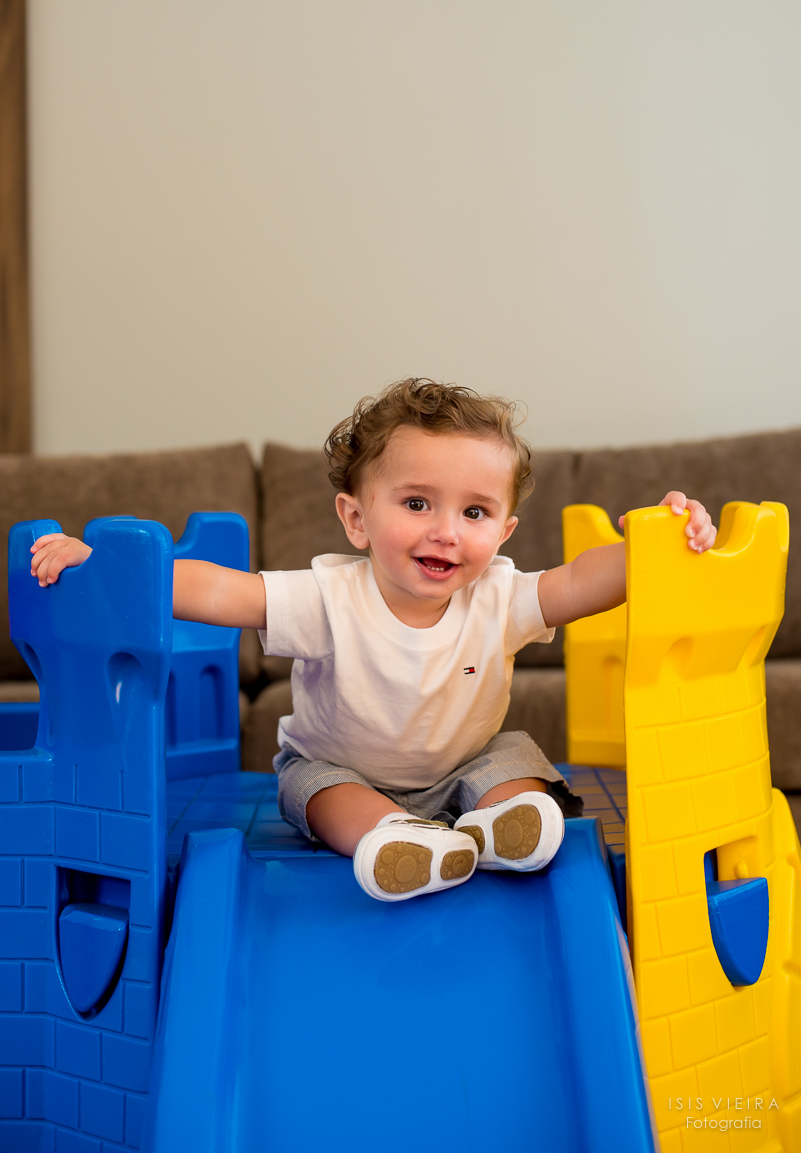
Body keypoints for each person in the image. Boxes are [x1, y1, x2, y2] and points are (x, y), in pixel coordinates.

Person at [29, 379, 716, 903]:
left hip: (462, 768)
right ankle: (398, 843)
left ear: (502, 531)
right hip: (340, 769)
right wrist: (114, 564)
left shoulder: (500, 594)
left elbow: (577, 583)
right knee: (322, 795)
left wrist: (648, 546)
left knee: (512, 758)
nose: (446, 530)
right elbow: (224, 592)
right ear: (356, 520)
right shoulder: (329, 594)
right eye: (417, 503)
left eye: (474, 512)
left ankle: (504, 827)